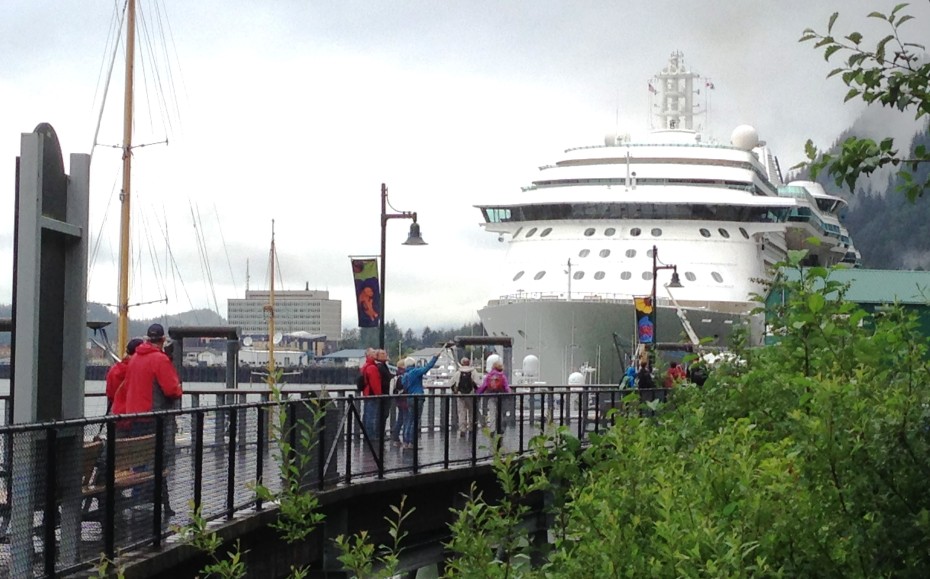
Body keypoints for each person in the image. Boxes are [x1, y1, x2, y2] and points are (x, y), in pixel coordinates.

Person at [120, 323, 182, 516]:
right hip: (154, 416)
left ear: (147, 339)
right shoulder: (160, 360)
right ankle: (143, 499)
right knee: (157, 459)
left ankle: (141, 499)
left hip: (134, 416)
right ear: (162, 340)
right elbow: (172, 390)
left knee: (139, 459)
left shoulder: (136, 358)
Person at [400, 347, 444, 449]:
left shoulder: (405, 375)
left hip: (409, 397)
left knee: (409, 420)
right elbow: (427, 367)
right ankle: (412, 442)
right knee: (415, 420)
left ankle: (406, 442)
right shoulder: (415, 372)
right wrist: (435, 357)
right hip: (418, 397)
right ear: (414, 364)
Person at [106, 337, 143, 412]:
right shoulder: (136, 370)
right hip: (132, 412)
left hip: (115, 411)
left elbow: (109, 393)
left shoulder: (113, 369)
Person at [477, 359, 511, 434]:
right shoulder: (502, 375)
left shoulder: (489, 375)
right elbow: (506, 387)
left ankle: (492, 429)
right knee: (501, 413)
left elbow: (484, 386)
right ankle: (500, 428)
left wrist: (478, 394)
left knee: (492, 413)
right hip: (501, 397)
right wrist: (509, 394)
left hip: (491, 396)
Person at [450, 357, 480, 438]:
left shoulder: (458, 372)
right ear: (469, 362)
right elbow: (478, 383)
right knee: (471, 412)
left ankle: (462, 429)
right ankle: (471, 428)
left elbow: (451, 383)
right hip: (471, 395)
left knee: (461, 412)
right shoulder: (473, 372)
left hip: (460, 395)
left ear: (462, 363)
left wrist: (455, 391)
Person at [359, 348, 384, 440]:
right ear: (369, 355)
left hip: (366, 393)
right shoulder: (372, 367)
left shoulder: (365, 366)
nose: (375, 353)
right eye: (373, 352)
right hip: (372, 394)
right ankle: (371, 435)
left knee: (367, 414)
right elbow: (375, 383)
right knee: (371, 415)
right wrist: (379, 394)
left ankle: (366, 434)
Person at [389, 359, 408, 446]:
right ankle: (405, 439)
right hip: (404, 400)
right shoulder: (404, 375)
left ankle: (395, 437)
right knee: (405, 419)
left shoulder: (396, 375)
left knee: (400, 419)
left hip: (398, 400)